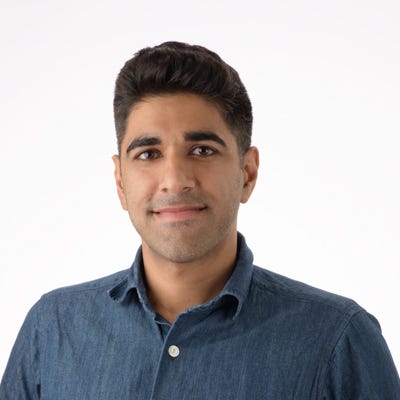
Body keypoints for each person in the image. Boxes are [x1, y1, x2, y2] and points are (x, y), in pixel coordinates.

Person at [1, 42, 399, 400]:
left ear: (247, 173)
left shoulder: (337, 340)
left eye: (202, 150)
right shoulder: (52, 329)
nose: (175, 180)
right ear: (120, 182)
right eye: (148, 154)